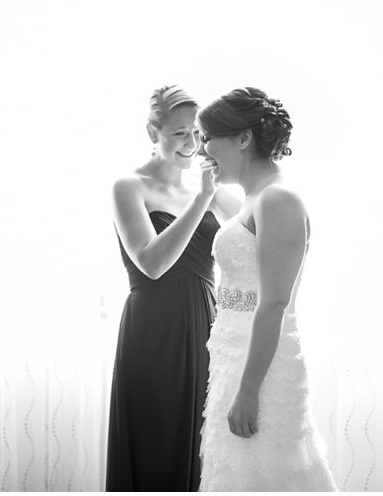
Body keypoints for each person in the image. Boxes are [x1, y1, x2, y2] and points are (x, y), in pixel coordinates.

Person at [195, 87, 337, 491]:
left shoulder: (278, 199)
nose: (202, 149)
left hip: (263, 372)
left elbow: (273, 303)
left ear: (243, 138)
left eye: (208, 138)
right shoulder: (252, 199)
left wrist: (248, 391)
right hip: (233, 359)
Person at [106, 85, 240, 491]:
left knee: (201, 447)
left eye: (198, 134)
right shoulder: (130, 186)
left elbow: (258, 224)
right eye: (180, 133)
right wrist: (202, 199)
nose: (192, 143)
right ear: (153, 132)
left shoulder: (211, 189)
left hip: (206, 326)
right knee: (155, 443)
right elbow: (151, 264)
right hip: (152, 330)